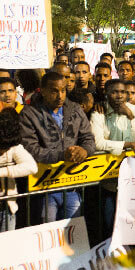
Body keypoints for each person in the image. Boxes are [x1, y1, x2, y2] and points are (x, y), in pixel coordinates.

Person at [19, 71, 95, 221]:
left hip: (71, 186)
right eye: (54, 91)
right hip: (44, 189)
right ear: (43, 90)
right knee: (49, 237)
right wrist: (61, 155)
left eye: (63, 90)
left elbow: (88, 138)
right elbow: (30, 149)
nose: (60, 96)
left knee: (72, 234)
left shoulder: (75, 109)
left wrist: (84, 150)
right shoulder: (29, 113)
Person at [91, 78, 135, 233]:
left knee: (132, 223)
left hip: (131, 177)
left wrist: (130, 116)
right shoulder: (99, 112)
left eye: (122, 92)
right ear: (107, 94)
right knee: (110, 224)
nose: (119, 96)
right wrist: (127, 145)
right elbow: (98, 143)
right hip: (107, 178)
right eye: (114, 92)